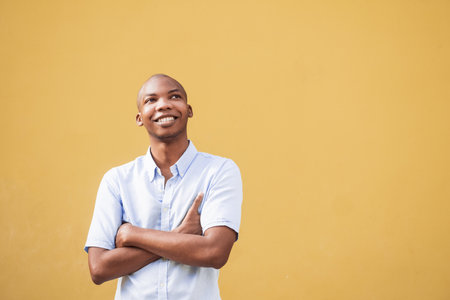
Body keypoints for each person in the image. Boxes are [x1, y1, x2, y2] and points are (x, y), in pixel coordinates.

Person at [84, 74, 243, 299]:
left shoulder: (219, 171)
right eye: (151, 100)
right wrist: (180, 235)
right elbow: (99, 268)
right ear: (139, 118)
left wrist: (132, 234)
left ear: (189, 110)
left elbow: (215, 252)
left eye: (174, 96)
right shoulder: (117, 180)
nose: (164, 105)